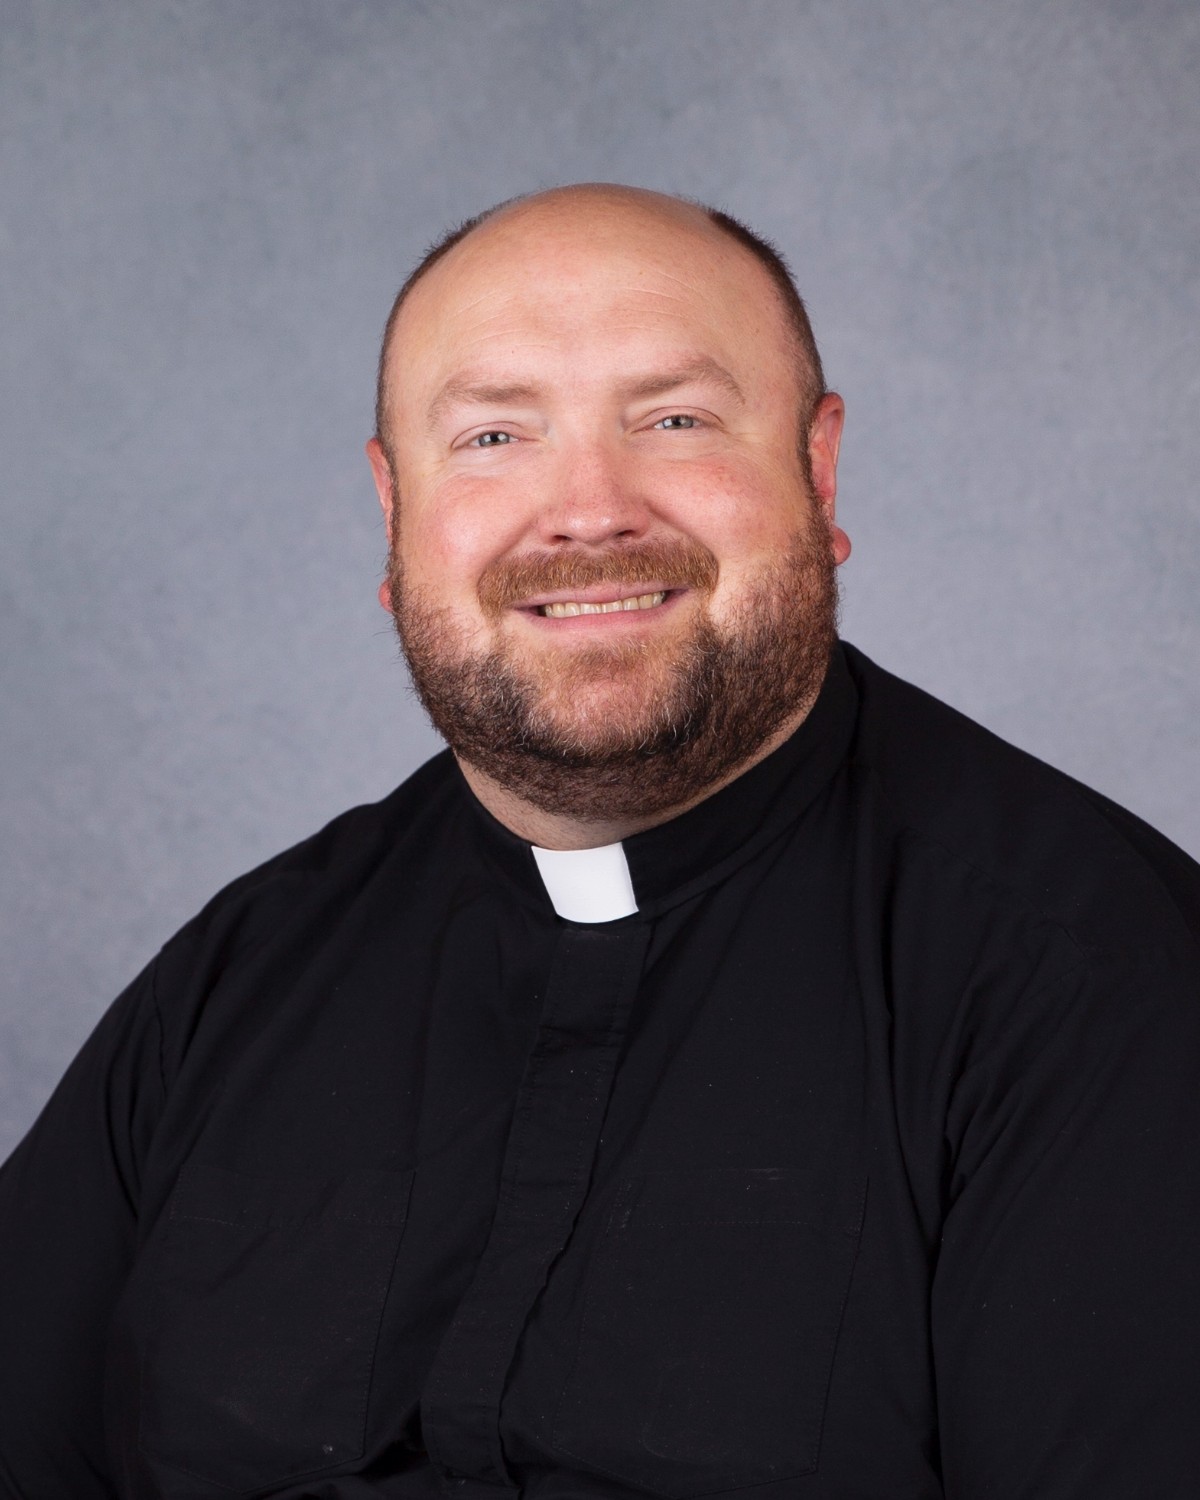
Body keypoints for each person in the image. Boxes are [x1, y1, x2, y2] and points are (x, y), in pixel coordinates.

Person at [1, 183, 1197, 1500]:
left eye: (673, 419)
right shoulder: (243, 974)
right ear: (393, 511)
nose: (587, 511)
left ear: (818, 472)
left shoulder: (1093, 978)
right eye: (494, 435)